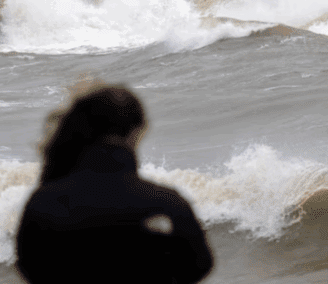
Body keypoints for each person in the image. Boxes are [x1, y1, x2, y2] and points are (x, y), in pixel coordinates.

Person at [15, 82, 213, 284]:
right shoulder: (165, 204)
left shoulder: (45, 202)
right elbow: (198, 266)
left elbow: (30, 267)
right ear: (137, 132)